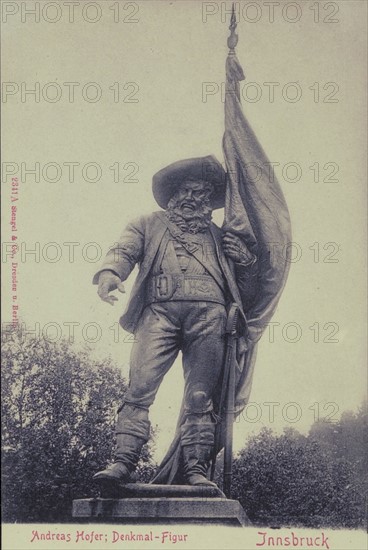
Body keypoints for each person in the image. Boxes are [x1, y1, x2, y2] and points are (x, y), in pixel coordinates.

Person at [92, 155, 258, 487]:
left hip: (210, 318)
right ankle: (122, 462)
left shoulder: (220, 237)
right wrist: (110, 272)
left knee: (200, 397)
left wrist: (246, 263)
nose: (195, 199)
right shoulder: (147, 224)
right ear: (175, 194)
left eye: (203, 194)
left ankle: (195, 468)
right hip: (158, 313)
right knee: (139, 389)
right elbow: (124, 250)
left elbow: (247, 295)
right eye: (189, 191)